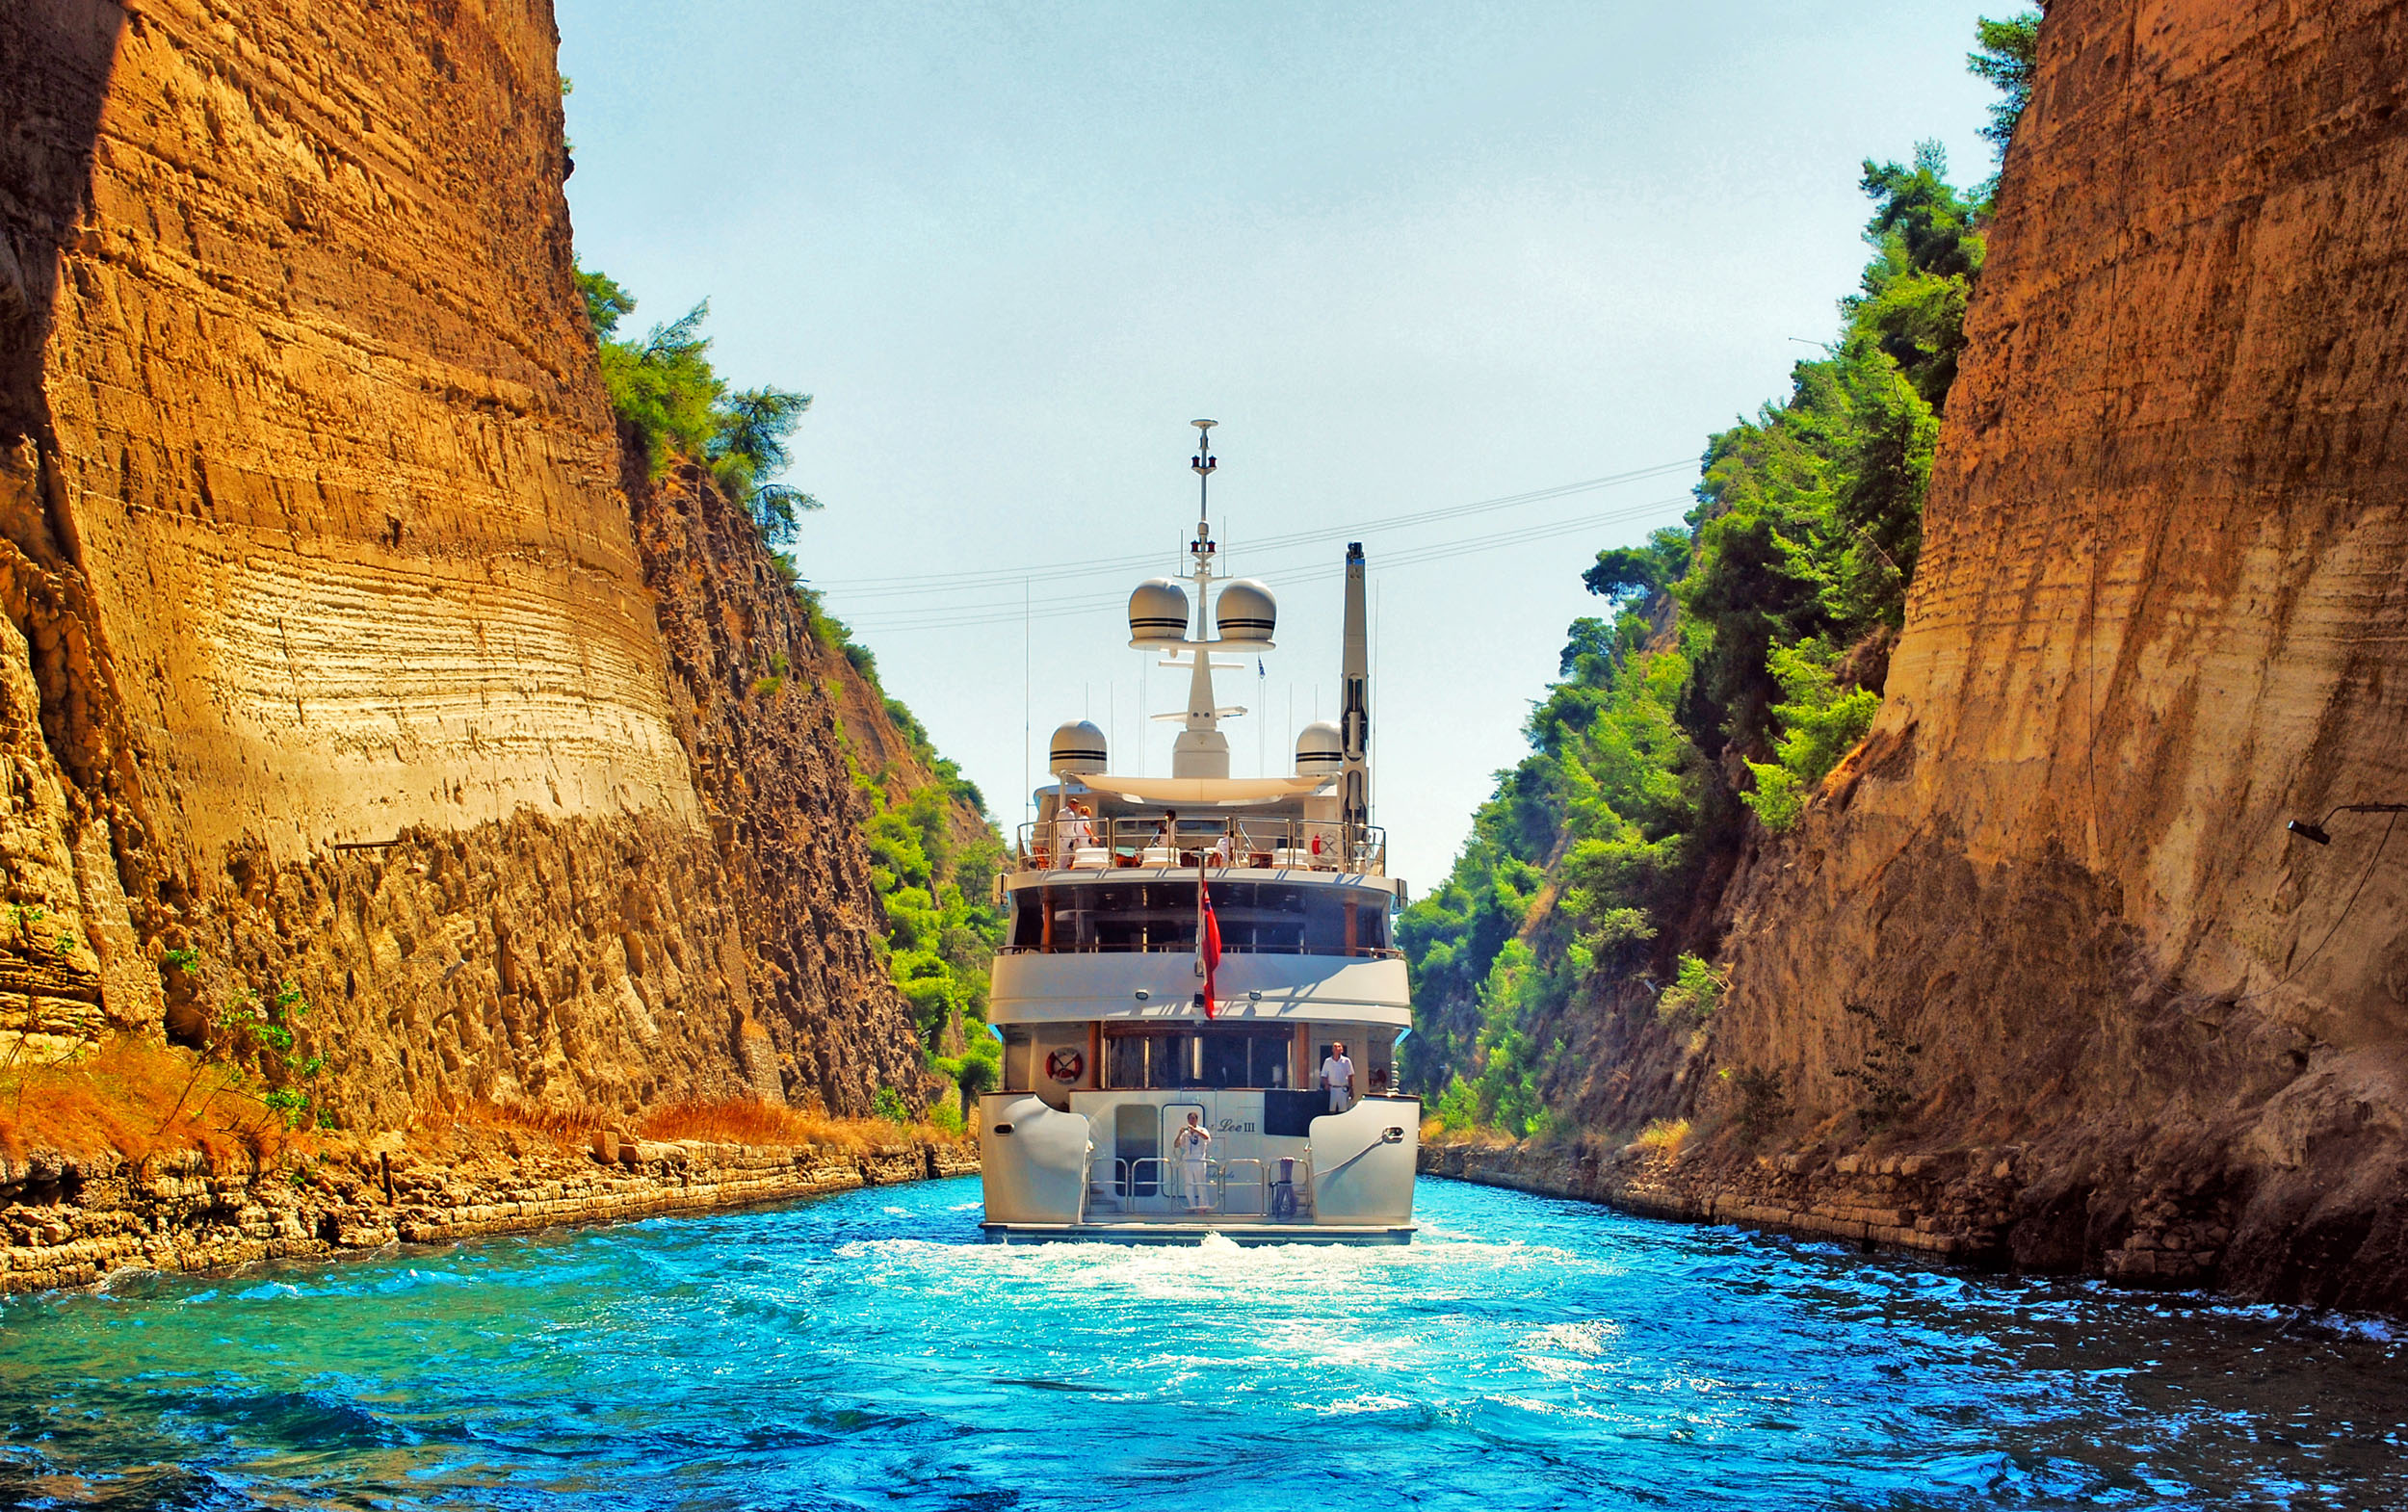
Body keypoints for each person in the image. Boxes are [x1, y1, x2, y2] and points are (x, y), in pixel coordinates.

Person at [1173, 1111, 1213, 1213]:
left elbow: (1206, 1138)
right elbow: (1176, 1145)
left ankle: (1203, 1207)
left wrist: (1195, 1130)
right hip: (1188, 1161)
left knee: (1201, 1184)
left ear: (1196, 1119)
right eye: (1190, 1119)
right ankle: (1192, 1206)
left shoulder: (1202, 1130)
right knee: (1188, 1184)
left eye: (1193, 1119)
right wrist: (1180, 1133)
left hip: (1199, 1160)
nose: (1191, 1120)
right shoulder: (1186, 1134)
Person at [1321, 1042, 1355, 1113]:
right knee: (1331, 1111)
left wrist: (1351, 1089)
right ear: (1332, 1050)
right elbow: (1324, 1075)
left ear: (1341, 1050)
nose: (1337, 1048)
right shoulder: (1328, 1061)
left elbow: (1350, 1075)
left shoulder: (1346, 1061)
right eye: (1335, 1047)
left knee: (1343, 1111)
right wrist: (1326, 1085)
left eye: (1339, 1046)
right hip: (1332, 1089)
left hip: (1343, 1089)